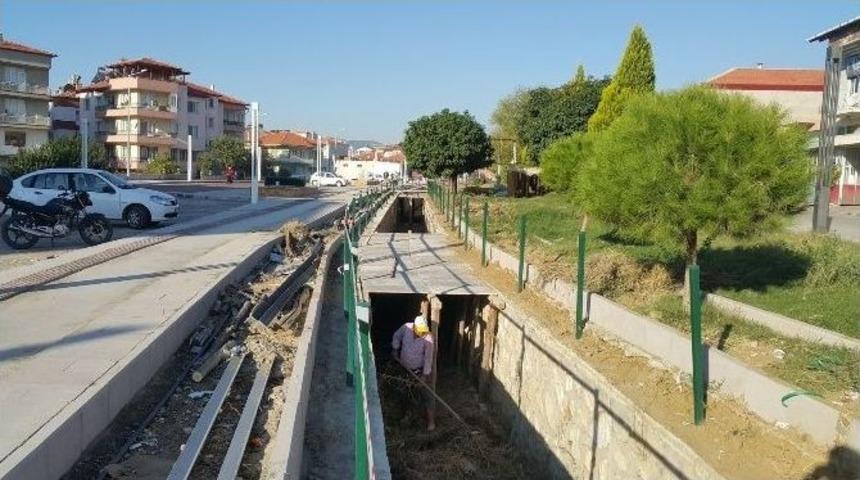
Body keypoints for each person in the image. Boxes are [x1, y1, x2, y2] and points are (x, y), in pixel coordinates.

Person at [391, 315, 436, 430]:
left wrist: (424, 377)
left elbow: (428, 359)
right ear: (414, 327)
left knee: (427, 395)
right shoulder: (406, 327)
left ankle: (431, 423)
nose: (421, 334)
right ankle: (406, 415)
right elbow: (396, 336)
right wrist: (395, 349)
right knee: (404, 392)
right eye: (419, 331)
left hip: (419, 371)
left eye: (423, 332)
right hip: (404, 368)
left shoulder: (428, 338)